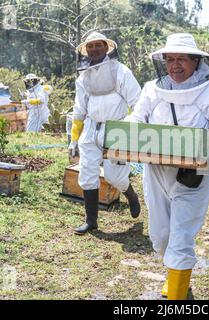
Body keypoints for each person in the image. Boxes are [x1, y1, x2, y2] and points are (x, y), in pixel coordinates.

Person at [126, 33, 209, 300]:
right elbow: (136, 119)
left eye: (181, 59)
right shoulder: (152, 89)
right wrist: (120, 138)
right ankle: (178, 280)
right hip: (156, 172)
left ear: (196, 61)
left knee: (180, 236)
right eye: (170, 59)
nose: (175, 65)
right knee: (161, 235)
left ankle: (176, 298)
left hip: (193, 175)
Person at [69, 31, 142, 235]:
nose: (94, 49)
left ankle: (131, 195)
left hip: (116, 128)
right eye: (90, 46)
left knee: (114, 176)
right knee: (87, 173)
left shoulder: (121, 71)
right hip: (92, 128)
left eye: (98, 45)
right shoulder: (84, 76)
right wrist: (74, 138)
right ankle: (91, 221)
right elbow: (79, 109)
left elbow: (138, 103)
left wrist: (129, 128)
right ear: (86, 51)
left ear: (107, 47)